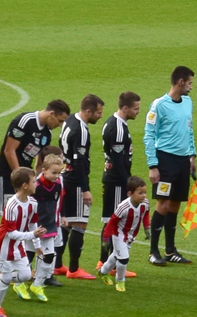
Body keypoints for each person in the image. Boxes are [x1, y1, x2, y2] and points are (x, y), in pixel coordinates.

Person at [144, 66, 197, 266]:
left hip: (183, 161)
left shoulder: (188, 102)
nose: (191, 87)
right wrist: (152, 164)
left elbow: (189, 130)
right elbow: (149, 135)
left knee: (175, 204)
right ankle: (153, 251)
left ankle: (170, 250)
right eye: (190, 83)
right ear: (181, 82)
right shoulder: (159, 105)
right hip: (165, 161)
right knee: (163, 204)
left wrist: (192, 155)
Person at [0, 100, 70, 215]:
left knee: (24, 216)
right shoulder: (25, 121)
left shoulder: (47, 133)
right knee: (9, 217)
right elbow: (9, 150)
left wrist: (36, 182)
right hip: (7, 175)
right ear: (51, 114)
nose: (59, 125)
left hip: (26, 179)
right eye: (60, 121)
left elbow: (39, 163)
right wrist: (20, 176)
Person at [57, 94, 105, 279]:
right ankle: (74, 269)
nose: (100, 116)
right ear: (88, 111)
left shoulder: (69, 120)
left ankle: (57, 264)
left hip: (64, 175)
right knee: (80, 223)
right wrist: (85, 189)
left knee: (66, 223)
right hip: (74, 181)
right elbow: (79, 163)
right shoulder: (81, 131)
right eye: (98, 113)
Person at [0, 167, 46, 317]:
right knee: (7, 278)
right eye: (33, 182)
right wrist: (32, 235)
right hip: (4, 245)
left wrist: (37, 244)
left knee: (26, 275)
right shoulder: (11, 206)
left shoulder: (32, 203)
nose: (36, 184)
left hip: (18, 245)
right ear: (25, 186)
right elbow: (10, 233)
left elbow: (33, 225)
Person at [97, 91, 141, 278]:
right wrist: (127, 185)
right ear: (125, 108)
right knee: (113, 222)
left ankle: (108, 261)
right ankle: (106, 261)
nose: (138, 112)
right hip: (116, 181)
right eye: (135, 108)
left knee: (113, 221)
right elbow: (117, 160)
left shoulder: (114, 122)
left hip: (115, 180)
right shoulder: (117, 128)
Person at [18, 153, 65, 302]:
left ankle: (37, 284)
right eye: (53, 172)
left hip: (49, 225)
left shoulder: (58, 185)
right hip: (35, 225)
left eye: (59, 173)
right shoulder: (36, 186)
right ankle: (19, 283)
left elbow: (57, 203)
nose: (56, 176)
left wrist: (59, 217)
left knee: (49, 256)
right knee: (29, 255)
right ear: (43, 169)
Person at [98, 176, 150, 292]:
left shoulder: (145, 203)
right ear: (130, 194)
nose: (144, 196)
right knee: (124, 259)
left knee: (116, 256)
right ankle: (120, 281)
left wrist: (147, 228)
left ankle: (102, 272)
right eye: (140, 193)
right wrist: (106, 238)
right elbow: (111, 222)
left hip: (131, 236)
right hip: (119, 235)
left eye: (145, 192)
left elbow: (146, 214)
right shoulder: (123, 207)